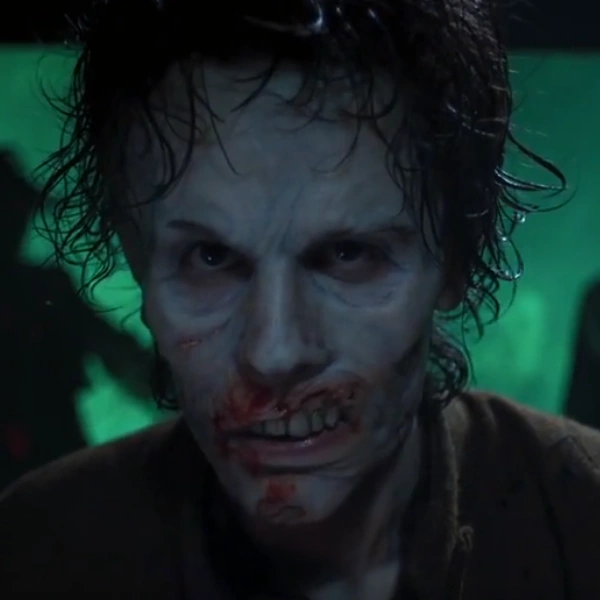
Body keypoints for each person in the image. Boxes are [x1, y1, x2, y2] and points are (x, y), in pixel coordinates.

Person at [1, 1, 599, 599]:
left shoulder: (580, 524)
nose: (275, 352)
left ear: (455, 256)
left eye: (348, 254)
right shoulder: (39, 552)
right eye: (210, 257)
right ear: (138, 259)